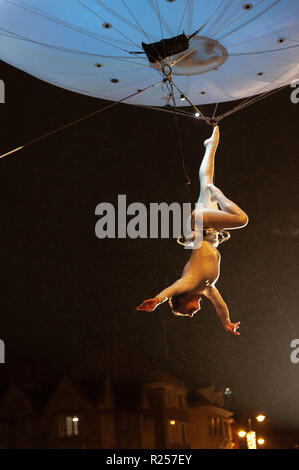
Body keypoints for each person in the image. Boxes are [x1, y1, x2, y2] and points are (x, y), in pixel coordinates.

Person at [136, 126, 248, 335]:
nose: (191, 314)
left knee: (241, 219)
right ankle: (210, 145)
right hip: (209, 227)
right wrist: (226, 322)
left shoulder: (189, 282)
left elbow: (171, 290)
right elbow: (219, 306)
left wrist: (157, 300)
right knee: (206, 180)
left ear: (182, 300)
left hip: (199, 224)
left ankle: (218, 193)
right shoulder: (207, 288)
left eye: (185, 313)